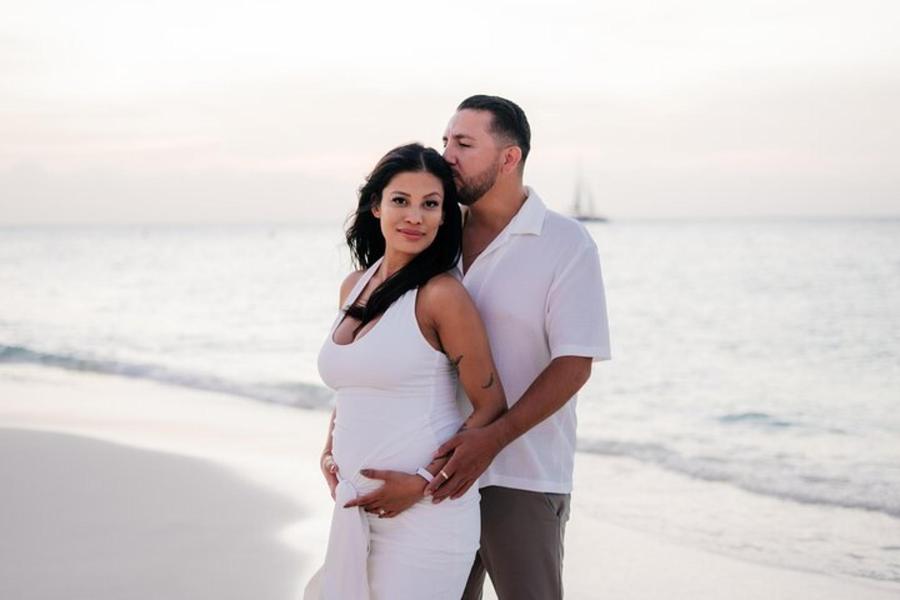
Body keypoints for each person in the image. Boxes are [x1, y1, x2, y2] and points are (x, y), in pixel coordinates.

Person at [421, 95, 612, 599]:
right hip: (432, 472)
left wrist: (493, 439)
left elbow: (574, 364)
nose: (446, 155)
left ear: (509, 158)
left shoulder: (565, 242)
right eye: (445, 141)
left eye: (464, 144)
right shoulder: (433, 235)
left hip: (523, 473)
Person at [304, 143, 508, 600]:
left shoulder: (441, 296)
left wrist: (421, 483)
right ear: (376, 206)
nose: (415, 216)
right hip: (356, 510)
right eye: (401, 200)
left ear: (444, 216)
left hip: (426, 519)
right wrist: (329, 449)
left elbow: (491, 406)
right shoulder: (354, 286)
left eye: (430, 204)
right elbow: (354, 383)